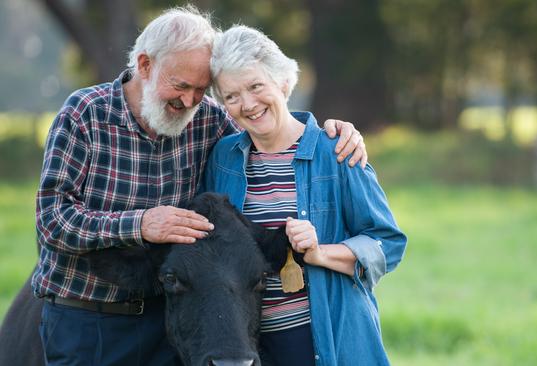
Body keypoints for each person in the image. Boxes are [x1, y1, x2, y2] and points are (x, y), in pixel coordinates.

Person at [32, 6, 367, 366]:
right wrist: (141, 224)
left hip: (171, 320)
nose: (190, 100)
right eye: (180, 86)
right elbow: (52, 220)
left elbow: (269, 136)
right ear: (145, 66)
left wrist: (332, 134)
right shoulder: (84, 115)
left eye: (200, 88)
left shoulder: (209, 118)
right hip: (88, 319)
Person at [205, 25, 407, 366]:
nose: (248, 104)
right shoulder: (223, 158)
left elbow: (387, 243)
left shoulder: (337, 151)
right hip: (248, 345)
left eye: (256, 86)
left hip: (326, 338)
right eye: (232, 96)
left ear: (282, 82)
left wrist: (319, 253)